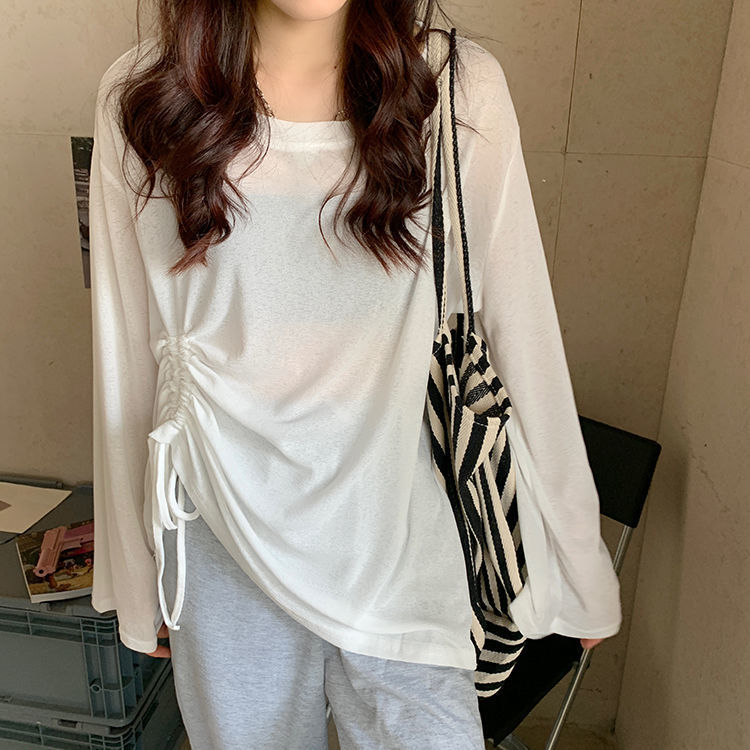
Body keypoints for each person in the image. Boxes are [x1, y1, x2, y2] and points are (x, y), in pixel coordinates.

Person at [89, 1, 622, 748]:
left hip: (398, 540)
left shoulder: (452, 86)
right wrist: (133, 579)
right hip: (222, 543)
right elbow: (126, 358)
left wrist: (577, 563)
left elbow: (520, 326)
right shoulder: (147, 94)